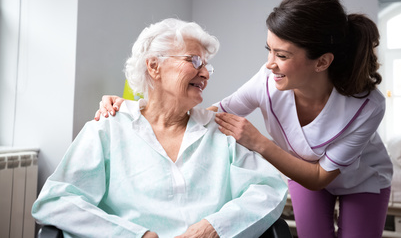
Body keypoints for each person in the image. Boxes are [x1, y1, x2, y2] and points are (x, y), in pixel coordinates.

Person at [96, 0, 393, 238]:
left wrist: (258, 142)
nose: (269, 64)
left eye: (282, 55)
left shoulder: (367, 106)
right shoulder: (267, 81)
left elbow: (318, 177)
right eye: (269, 50)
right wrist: (137, 110)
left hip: (360, 180)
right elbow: (213, 115)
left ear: (321, 62)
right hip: (300, 174)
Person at [32, 18, 288, 238]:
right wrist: (135, 235)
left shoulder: (221, 131)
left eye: (207, 66)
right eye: (195, 60)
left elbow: (269, 189)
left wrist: (212, 228)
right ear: (154, 66)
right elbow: (57, 201)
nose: (206, 74)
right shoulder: (107, 129)